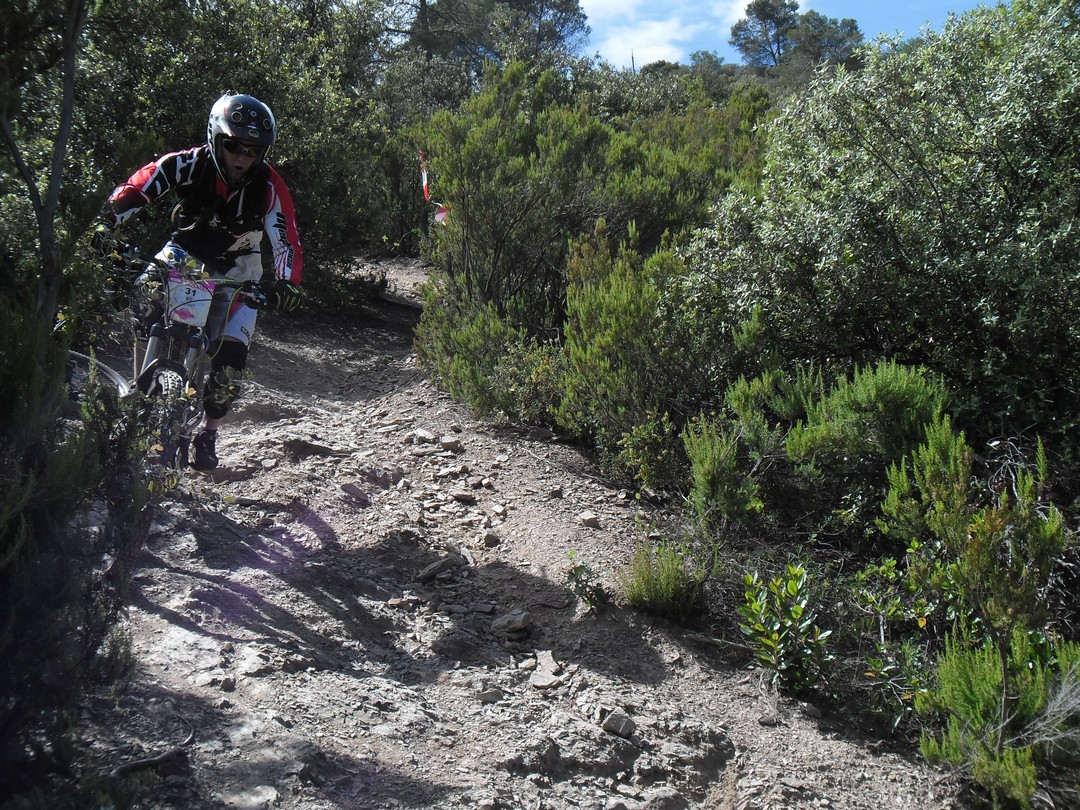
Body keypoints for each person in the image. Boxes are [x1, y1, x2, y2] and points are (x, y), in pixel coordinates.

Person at [94, 93, 304, 470]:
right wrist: (106, 222)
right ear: (215, 138)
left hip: (240, 269)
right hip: (186, 253)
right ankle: (142, 385)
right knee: (145, 296)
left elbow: (286, 238)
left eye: (253, 151)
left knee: (229, 364)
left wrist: (288, 282)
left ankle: (209, 432)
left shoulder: (269, 185)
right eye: (234, 147)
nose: (242, 158)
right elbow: (140, 185)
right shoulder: (188, 164)